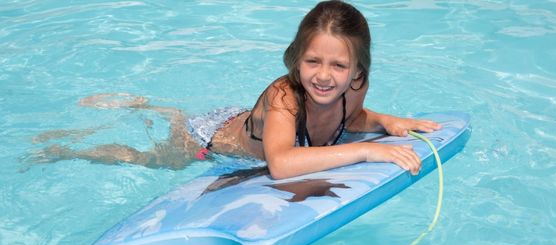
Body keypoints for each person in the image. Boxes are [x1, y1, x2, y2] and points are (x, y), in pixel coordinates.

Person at [30, 0, 441, 178]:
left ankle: (154, 107)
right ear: (297, 58)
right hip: (210, 139)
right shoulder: (284, 96)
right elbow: (280, 165)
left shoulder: (356, 87)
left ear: (356, 71)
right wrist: (368, 148)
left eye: (338, 65)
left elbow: (348, 118)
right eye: (313, 61)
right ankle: (73, 148)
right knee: (153, 162)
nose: (323, 75)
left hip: (246, 124)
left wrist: (387, 121)